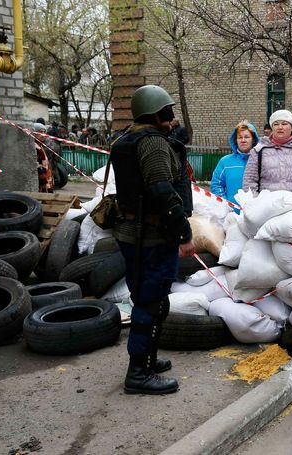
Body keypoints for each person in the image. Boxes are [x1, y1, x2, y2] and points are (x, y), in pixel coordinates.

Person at [110, 84, 195, 395]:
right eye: (168, 112)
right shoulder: (153, 144)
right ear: (156, 113)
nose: (172, 119)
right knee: (151, 302)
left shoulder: (127, 139)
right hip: (153, 237)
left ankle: (147, 359)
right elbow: (162, 192)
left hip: (132, 234)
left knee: (149, 300)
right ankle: (138, 373)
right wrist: (184, 233)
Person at [242, 109, 292, 198]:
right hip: (267, 207)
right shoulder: (259, 150)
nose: (280, 127)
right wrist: (255, 204)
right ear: (272, 128)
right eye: (276, 124)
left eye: (284, 124)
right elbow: (249, 182)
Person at [210, 121, 260, 207]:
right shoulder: (225, 161)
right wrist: (225, 204)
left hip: (257, 213)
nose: (243, 140)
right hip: (231, 214)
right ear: (235, 140)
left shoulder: (261, 160)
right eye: (240, 137)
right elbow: (216, 185)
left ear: (253, 140)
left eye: (247, 137)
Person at [34, 123, 54, 193]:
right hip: (42, 180)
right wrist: (43, 180)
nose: (43, 134)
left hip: (47, 178)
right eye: (40, 132)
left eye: (44, 132)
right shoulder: (34, 146)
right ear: (34, 133)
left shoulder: (40, 145)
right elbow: (37, 164)